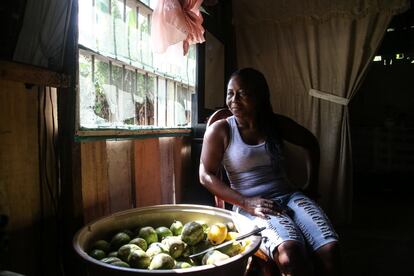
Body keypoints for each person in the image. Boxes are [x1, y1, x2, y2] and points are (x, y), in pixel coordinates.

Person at [199, 68, 341, 276]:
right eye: (230, 93)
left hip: (290, 197)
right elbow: (205, 174)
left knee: (331, 250)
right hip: (251, 205)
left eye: (243, 93)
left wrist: (312, 184)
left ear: (260, 97)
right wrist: (246, 202)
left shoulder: (276, 124)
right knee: (290, 256)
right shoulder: (221, 130)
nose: (234, 100)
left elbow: (310, 142)